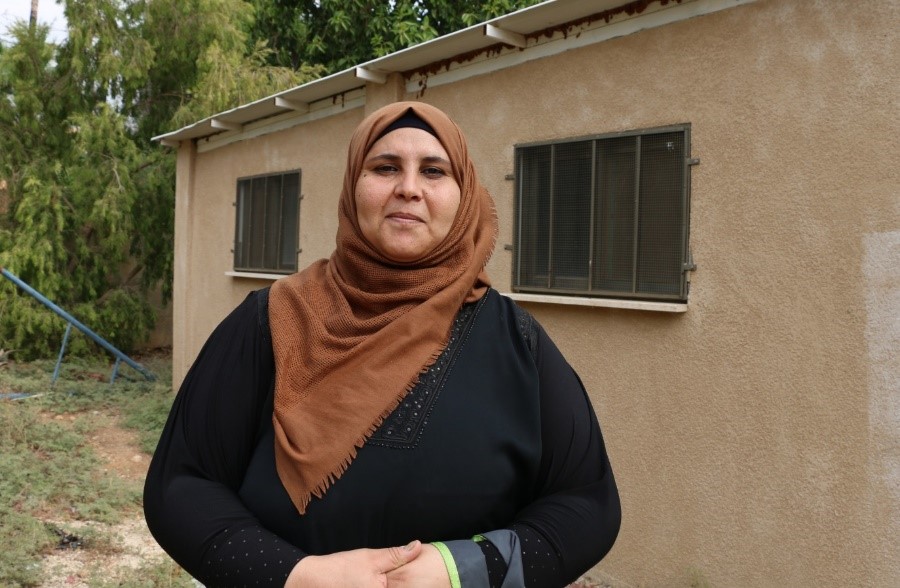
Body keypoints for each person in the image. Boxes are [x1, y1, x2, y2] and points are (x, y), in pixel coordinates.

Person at [144, 101, 621, 588]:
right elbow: (182, 485)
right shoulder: (270, 320)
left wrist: (464, 569)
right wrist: (296, 576)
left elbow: (587, 503)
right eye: (385, 167)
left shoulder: (519, 342)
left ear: (465, 197)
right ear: (353, 186)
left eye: (434, 171)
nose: (408, 188)